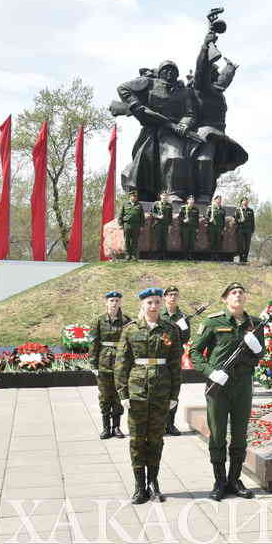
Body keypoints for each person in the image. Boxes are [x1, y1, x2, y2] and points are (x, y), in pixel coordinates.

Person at [190, 282, 264, 500]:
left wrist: (257, 347)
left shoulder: (256, 324)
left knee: (240, 434)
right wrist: (210, 372)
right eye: (233, 293)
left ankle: (235, 479)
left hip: (242, 386)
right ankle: (219, 480)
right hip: (218, 387)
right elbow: (195, 351)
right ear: (225, 299)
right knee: (218, 435)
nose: (238, 295)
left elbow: (260, 355)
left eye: (241, 292)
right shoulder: (214, 322)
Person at [115, 287, 182, 504]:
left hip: (161, 391)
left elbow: (175, 364)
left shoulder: (170, 329)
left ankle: (153, 483)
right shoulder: (130, 330)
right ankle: (138, 486)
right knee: (136, 439)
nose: (153, 307)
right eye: (149, 303)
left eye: (156, 302)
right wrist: (123, 393)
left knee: (155, 438)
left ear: (161, 305)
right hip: (137, 391)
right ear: (142, 305)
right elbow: (121, 364)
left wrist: (174, 394)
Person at [118, 60, 196, 201]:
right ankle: (146, 194)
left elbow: (190, 113)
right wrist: (135, 104)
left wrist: (184, 124)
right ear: (160, 73)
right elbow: (122, 88)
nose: (170, 73)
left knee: (174, 157)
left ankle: (173, 193)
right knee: (146, 161)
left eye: (173, 70)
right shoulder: (149, 83)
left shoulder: (184, 92)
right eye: (166, 70)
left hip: (172, 131)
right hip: (151, 130)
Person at [192, 32, 249, 204]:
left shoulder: (217, 91)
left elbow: (225, 79)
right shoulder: (202, 87)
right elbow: (201, 69)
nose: (217, 76)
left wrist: (230, 67)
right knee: (205, 161)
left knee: (214, 168)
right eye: (214, 73)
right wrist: (205, 45)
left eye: (217, 74)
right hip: (205, 133)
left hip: (220, 135)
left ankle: (206, 195)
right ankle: (202, 196)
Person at [89, 291, 131, 439]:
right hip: (104, 363)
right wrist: (93, 363)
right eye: (111, 300)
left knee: (119, 395)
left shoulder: (126, 321)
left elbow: (130, 342)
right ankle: (106, 427)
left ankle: (117, 427)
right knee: (105, 396)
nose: (114, 303)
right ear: (106, 302)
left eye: (117, 301)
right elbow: (93, 342)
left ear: (120, 303)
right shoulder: (99, 321)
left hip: (121, 363)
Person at [161, 286, 191, 436]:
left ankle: (170, 424)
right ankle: (158, 424)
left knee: (173, 390)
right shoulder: (159, 314)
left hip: (174, 358)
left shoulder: (182, 316)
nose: (173, 297)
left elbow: (185, 338)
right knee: (159, 391)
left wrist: (182, 327)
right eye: (170, 294)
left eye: (175, 295)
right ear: (165, 297)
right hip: (160, 356)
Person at [117, 191, 144, 261]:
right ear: (130, 197)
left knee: (135, 241)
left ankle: (134, 256)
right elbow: (121, 215)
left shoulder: (139, 205)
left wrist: (142, 226)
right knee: (127, 241)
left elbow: (142, 216)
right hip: (127, 224)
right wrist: (120, 224)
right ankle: (127, 255)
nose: (134, 198)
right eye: (133, 196)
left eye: (135, 197)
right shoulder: (125, 204)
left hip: (136, 225)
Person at [151, 192, 173, 260]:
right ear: (160, 196)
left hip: (166, 225)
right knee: (158, 240)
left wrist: (170, 225)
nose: (164, 197)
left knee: (164, 240)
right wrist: (158, 216)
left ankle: (164, 255)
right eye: (163, 195)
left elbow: (170, 216)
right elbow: (152, 212)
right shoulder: (156, 203)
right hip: (158, 224)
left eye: (166, 196)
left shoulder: (169, 205)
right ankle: (158, 255)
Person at [178, 195, 200, 260]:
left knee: (192, 242)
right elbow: (179, 217)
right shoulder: (183, 208)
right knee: (185, 242)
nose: (191, 201)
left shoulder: (196, 209)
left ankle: (190, 256)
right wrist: (183, 220)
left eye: (193, 200)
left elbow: (197, 220)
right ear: (187, 201)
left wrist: (197, 228)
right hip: (185, 228)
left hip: (193, 228)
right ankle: (184, 256)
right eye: (190, 199)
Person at [235, 198, 255, 264]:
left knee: (247, 245)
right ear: (242, 202)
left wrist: (252, 230)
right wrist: (240, 221)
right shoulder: (238, 210)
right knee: (240, 244)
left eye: (246, 201)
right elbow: (236, 220)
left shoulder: (251, 210)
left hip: (248, 230)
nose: (245, 202)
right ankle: (241, 258)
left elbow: (253, 221)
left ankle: (245, 258)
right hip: (241, 229)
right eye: (244, 201)